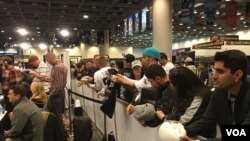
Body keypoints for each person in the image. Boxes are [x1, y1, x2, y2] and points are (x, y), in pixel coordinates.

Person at [180, 50, 250, 140]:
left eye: (220, 71)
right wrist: (180, 132)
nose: (214, 76)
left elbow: (242, 133)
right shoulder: (219, 92)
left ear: (237, 75)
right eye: (214, 70)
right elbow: (206, 120)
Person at [45, 52, 68, 140]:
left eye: (47, 61)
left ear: (50, 58)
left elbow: (58, 86)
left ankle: (62, 137)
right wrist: (50, 79)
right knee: (58, 116)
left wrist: (50, 95)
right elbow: (58, 81)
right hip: (58, 94)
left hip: (57, 95)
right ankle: (60, 135)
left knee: (58, 117)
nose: (48, 62)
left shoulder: (58, 67)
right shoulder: (59, 66)